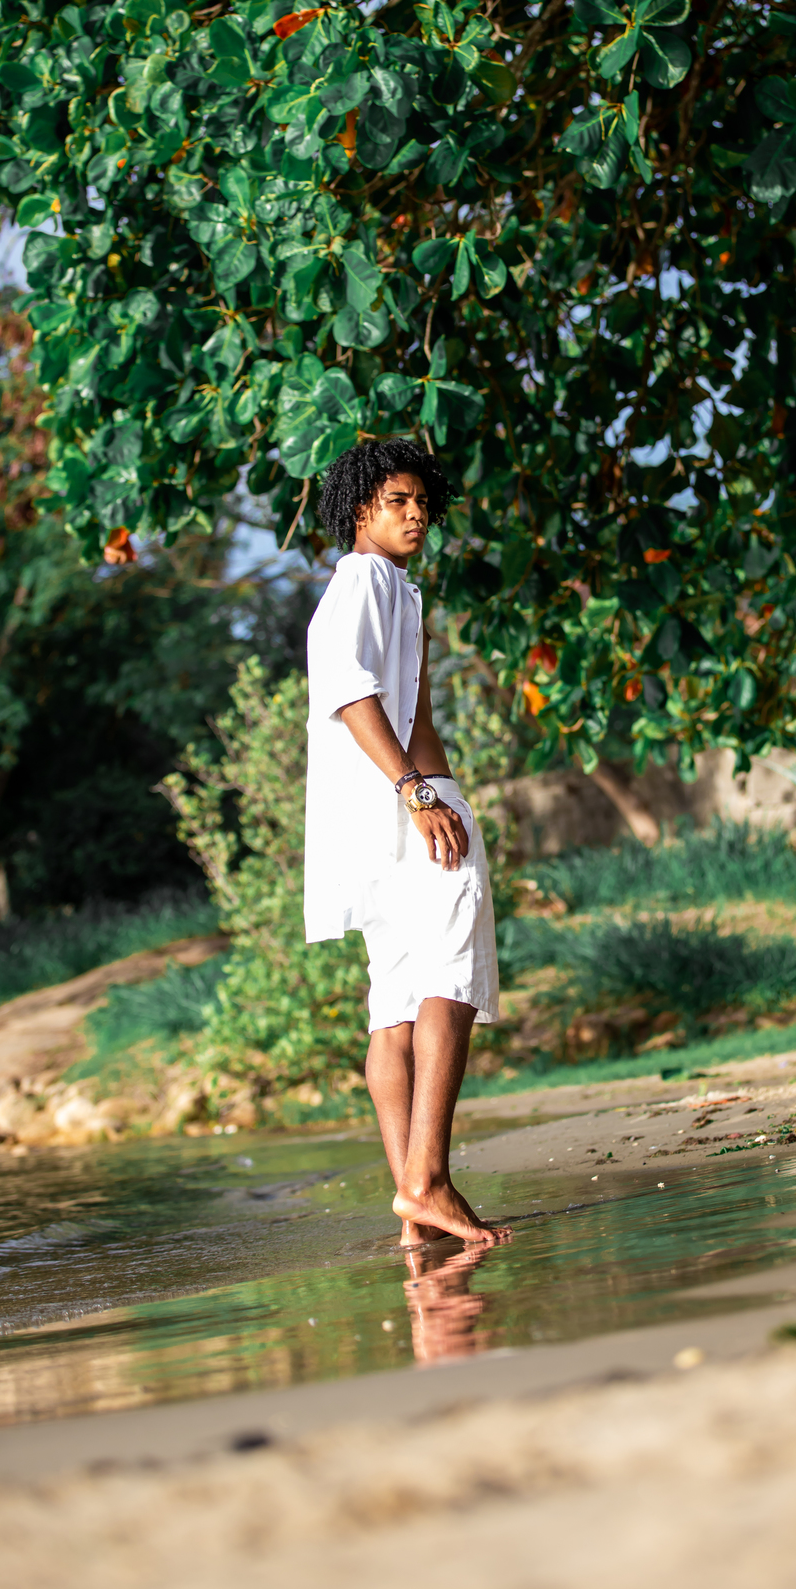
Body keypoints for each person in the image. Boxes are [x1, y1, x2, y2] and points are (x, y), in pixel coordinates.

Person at [304, 436, 506, 1248]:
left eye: (423, 502)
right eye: (398, 502)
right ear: (361, 511)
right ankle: (428, 1182)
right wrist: (419, 793)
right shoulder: (363, 580)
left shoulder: (393, 588)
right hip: (403, 807)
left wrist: (422, 789)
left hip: (384, 811)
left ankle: (413, 1208)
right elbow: (347, 689)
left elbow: (398, 707)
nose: (417, 514)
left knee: (393, 1003)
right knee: (451, 969)